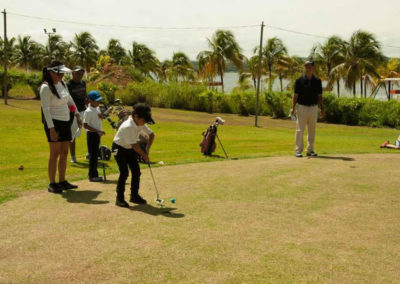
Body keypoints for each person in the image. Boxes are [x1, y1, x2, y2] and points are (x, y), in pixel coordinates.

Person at [40, 60, 81, 193]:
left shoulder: (62, 84)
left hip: (65, 121)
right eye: (60, 74)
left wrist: (77, 114)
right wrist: (51, 129)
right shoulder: (46, 87)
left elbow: (69, 100)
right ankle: (52, 183)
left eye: (63, 74)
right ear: (51, 72)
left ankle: (62, 181)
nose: (62, 76)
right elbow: (46, 110)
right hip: (54, 123)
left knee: (64, 152)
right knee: (55, 153)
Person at [112, 103, 155, 208]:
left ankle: (134, 196)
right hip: (118, 148)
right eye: (144, 120)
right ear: (136, 116)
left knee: (136, 172)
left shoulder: (140, 122)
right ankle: (119, 198)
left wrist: (147, 150)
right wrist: (144, 155)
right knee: (124, 172)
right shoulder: (128, 126)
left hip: (130, 148)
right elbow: (135, 146)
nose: (145, 123)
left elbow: (152, 135)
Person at [290, 61, 324, 158]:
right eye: (306, 66)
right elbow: (295, 96)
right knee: (300, 129)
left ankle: (310, 150)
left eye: (309, 66)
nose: (307, 68)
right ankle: (298, 150)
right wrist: (292, 108)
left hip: (313, 107)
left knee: (312, 130)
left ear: (313, 68)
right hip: (302, 107)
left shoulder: (317, 81)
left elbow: (320, 96)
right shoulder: (299, 80)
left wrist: (322, 109)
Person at [83, 91, 106, 182]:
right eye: (96, 101)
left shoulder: (97, 108)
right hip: (92, 134)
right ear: (90, 100)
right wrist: (98, 131)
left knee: (95, 155)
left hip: (97, 134)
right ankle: (92, 176)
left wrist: (101, 116)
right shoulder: (88, 111)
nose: (98, 102)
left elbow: (99, 117)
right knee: (92, 156)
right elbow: (85, 125)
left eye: (99, 101)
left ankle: (94, 174)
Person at [67, 66, 86, 163]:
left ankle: (91, 153)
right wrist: (75, 113)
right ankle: (73, 157)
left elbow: (84, 97)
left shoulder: (83, 83)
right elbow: (68, 101)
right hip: (73, 113)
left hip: (84, 110)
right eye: (78, 73)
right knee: (72, 135)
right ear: (73, 73)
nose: (80, 75)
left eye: (81, 73)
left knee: (90, 132)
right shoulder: (68, 85)